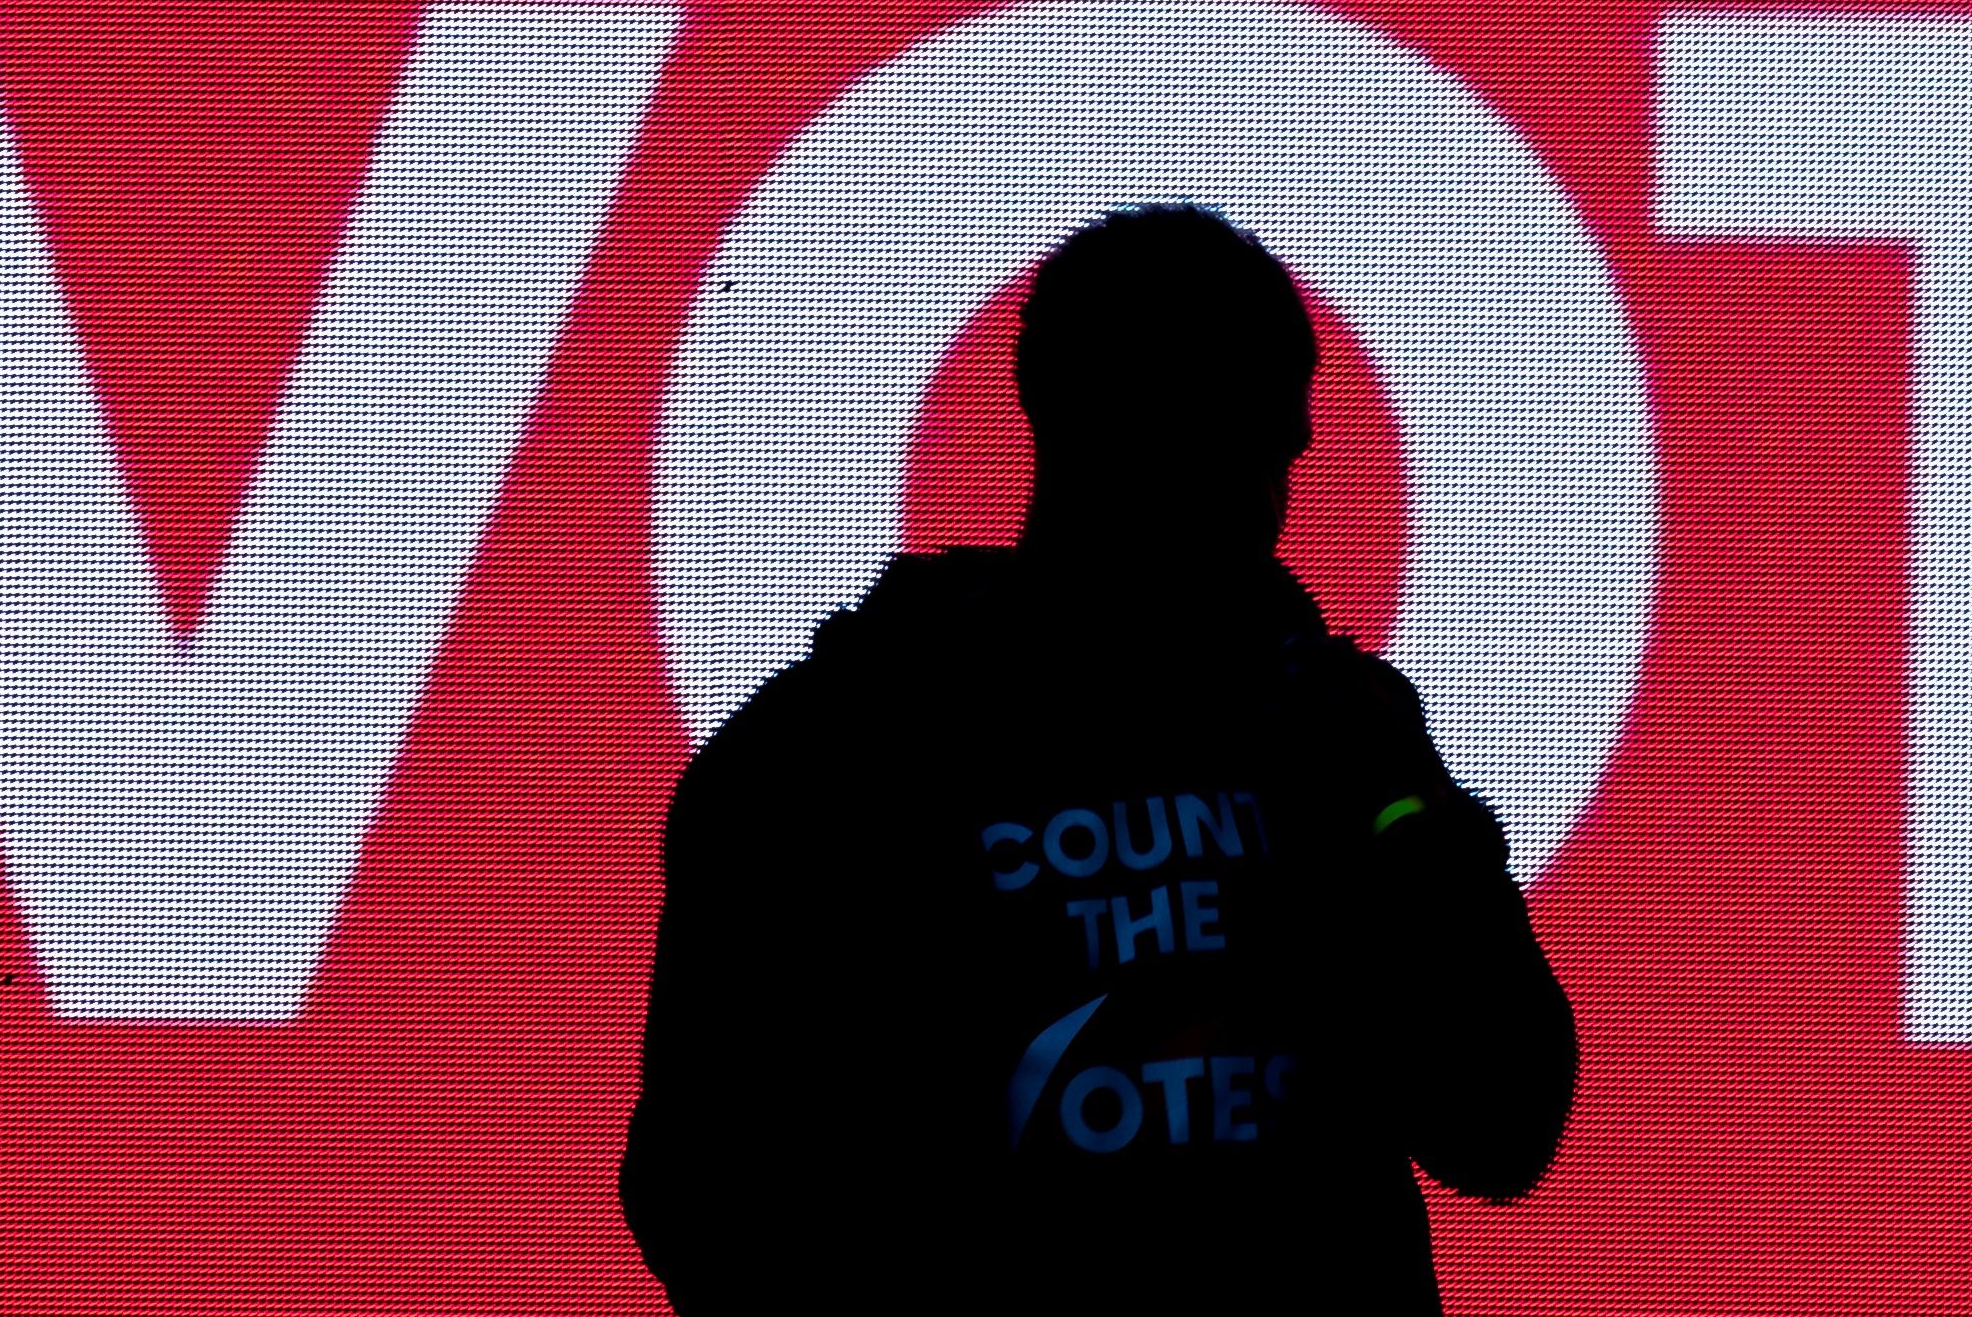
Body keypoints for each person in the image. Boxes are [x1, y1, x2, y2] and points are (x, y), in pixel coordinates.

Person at [620, 203, 1581, 1313]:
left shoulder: (1335, 735)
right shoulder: (835, 752)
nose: (1254, 476)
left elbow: (1503, 1118)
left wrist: (1405, 818)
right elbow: (706, 1202)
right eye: (1242, 428)